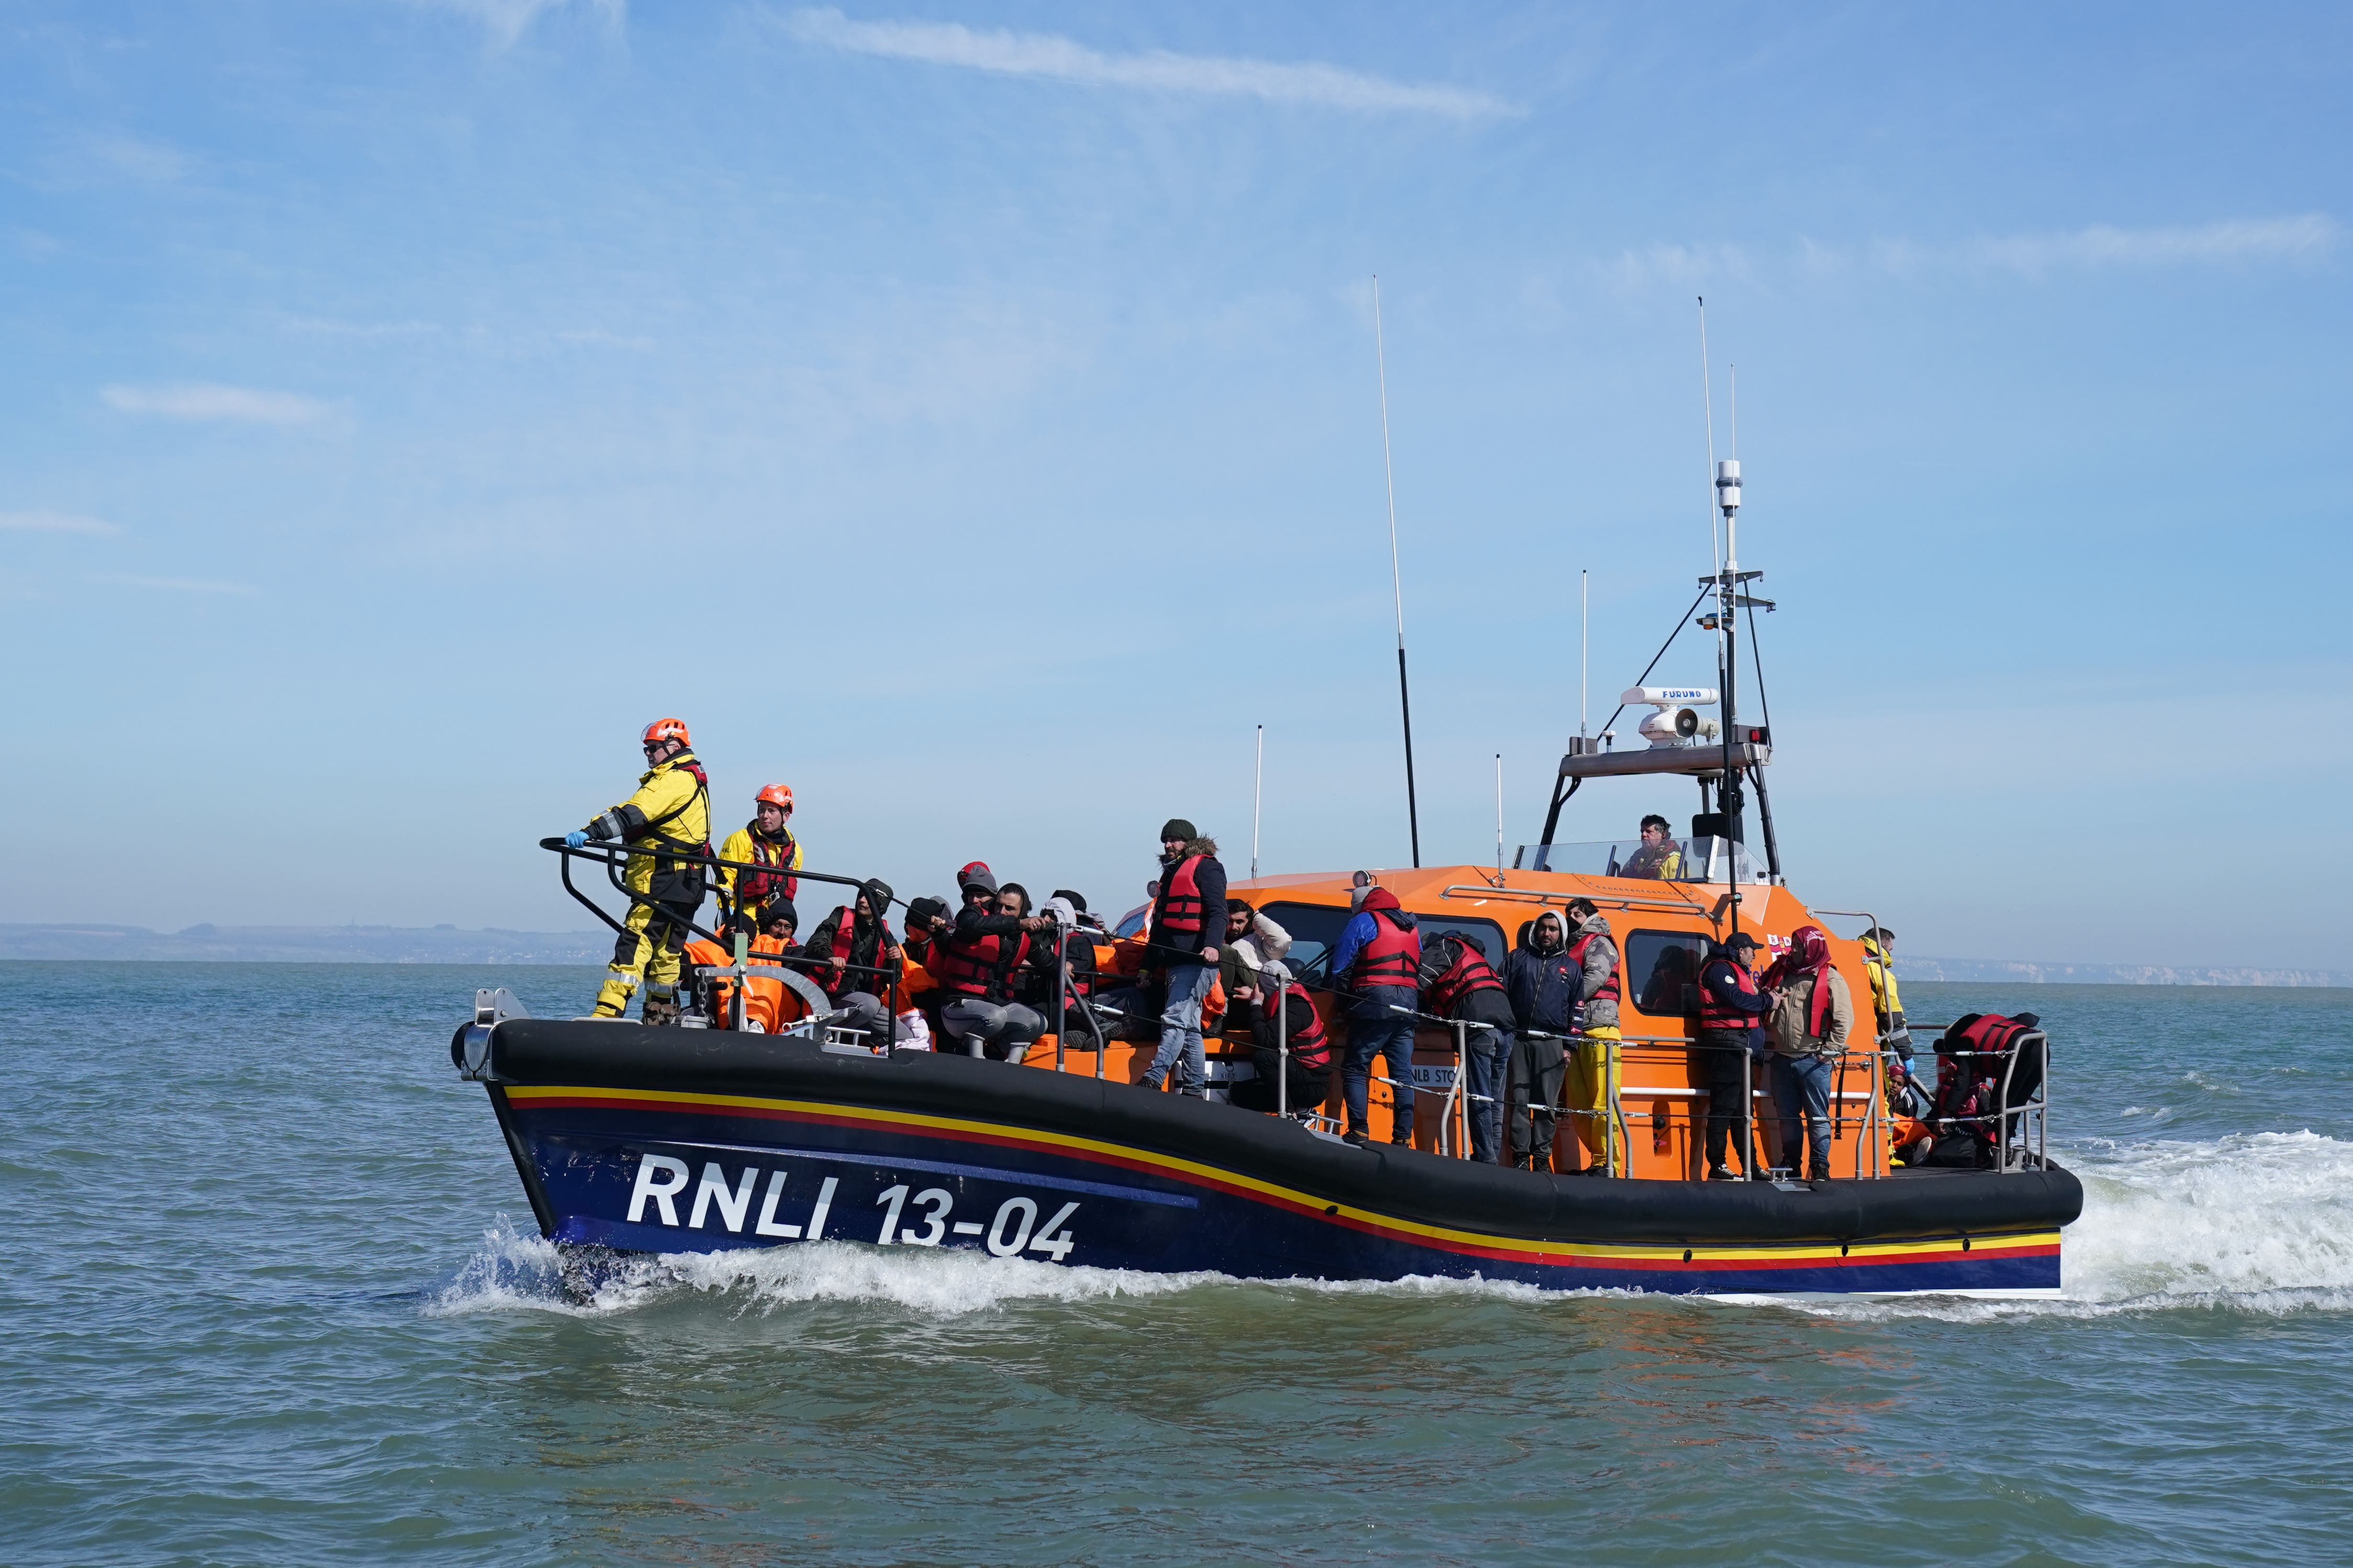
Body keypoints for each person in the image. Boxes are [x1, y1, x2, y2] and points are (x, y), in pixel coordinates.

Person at [569, 717, 712, 1024]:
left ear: (673, 747)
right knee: (666, 957)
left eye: (653, 749)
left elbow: (634, 813)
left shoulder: (672, 780)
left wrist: (590, 832)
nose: (648, 755)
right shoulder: (692, 780)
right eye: (646, 749)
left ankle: (607, 1015)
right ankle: (659, 1021)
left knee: (635, 943)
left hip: (662, 879)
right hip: (687, 883)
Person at [1326, 885, 1421, 1147]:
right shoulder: (1412, 926)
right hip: (1408, 1007)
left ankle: (1359, 1129)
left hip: (1374, 1004)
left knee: (1355, 1068)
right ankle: (1403, 1136)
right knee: (1403, 1075)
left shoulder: (1363, 921)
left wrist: (1343, 1006)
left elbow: (1341, 969)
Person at [1141, 819, 1227, 1097]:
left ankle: (1154, 1076)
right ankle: (1193, 1091)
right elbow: (1160, 926)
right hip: (1175, 960)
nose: (1168, 845)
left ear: (1188, 842)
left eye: (1174, 839)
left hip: (1198, 959)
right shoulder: (1171, 874)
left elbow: (1219, 912)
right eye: (1165, 840)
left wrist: (1213, 945)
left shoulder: (1207, 867)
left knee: (1176, 1018)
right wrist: (1147, 965)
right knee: (1190, 1028)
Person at [1761, 924, 1853, 1182]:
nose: (1795, 950)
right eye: (1794, 945)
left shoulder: (1831, 978)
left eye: (1800, 946)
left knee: (1817, 1117)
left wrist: (1829, 1052)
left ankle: (1820, 1166)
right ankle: (1791, 1163)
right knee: (1787, 1116)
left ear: (1813, 948)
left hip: (1814, 1060)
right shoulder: (1782, 973)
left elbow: (1844, 1019)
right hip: (1782, 1058)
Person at [1417, 931, 1516, 1164]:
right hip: (1507, 1026)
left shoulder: (1443, 947)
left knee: (1478, 1094)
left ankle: (1485, 1158)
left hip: (1480, 1026)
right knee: (1495, 1098)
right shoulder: (1476, 956)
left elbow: (1420, 981)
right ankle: (1493, 1154)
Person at [930, 866, 1049, 1061]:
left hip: (994, 1003)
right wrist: (1019, 924)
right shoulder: (971, 917)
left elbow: (1045, 960)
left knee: (1037, 1022)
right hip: (959, 1002)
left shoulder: (1019, 936)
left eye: (980, 895)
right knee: (995, 1016)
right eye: (970, 895)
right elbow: (965, 931)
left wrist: (1066, 968)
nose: (974, 900)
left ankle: (1006, 1061)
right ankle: (974, 1059)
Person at [1502, 911, 1578, 1170]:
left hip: (1552, 1042)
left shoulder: (1571, 968)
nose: (1547, 933)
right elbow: (1502, 994)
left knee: (1547, 1103)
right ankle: (1521, 1156)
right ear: (1536, 930)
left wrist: (1569, 1046)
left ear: (1561, 933)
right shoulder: (1517, 959)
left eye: (1553, 929)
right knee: (1519, 1100)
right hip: (1519, 1039)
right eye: (1543, 928)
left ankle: (1543, 1158)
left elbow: (1576, 1011)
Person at [1695, 931, 1769, 1180]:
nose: (1754, 955)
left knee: (1742, 1110)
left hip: (1739, 1047)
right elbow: (1736, 999)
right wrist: (1767, 1001)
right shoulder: (1718, 970)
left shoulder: (1731, 969)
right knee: (1724, 1107)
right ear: (1740, 951)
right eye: (1752, 950)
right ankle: (1717, 1164)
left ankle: (1750, 1165)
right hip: (1725, 1045)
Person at [1562, 898, 1626, 1173]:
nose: (1571, 917)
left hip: (1601, 1027)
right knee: (1578, 1101)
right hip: (1576, 1029)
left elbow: (1596, 978)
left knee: (1603, 1100)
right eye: (1569, 913)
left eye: (1576, 913)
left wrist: (1563, 1002)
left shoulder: (1600, 942)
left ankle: (1608, 1163)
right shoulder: (1570, 946)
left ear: (1588, 916)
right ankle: (1598, 1160)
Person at [800, 879, 901, 1044]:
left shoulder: (886, 937)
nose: (862, 900)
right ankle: (825, 1030)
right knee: (871, 1005)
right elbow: (816, 941)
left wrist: (894, 962)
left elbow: (894, 979)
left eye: (869, 897)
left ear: (881, 905)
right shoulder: (840, 917)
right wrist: (830, 957)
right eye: (861, 895)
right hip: (832, 997)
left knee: (905, 1035)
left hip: (864, 1004)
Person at [1228, 976, 1333, 1116]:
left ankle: (1290, 1112)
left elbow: (1265, 1040)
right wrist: (1257, 999)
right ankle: (1298, 1108)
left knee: (1264, 1057)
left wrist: (1256, 1004)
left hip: (1313, 1084)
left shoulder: (1296, 1010)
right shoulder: (1291, 1002)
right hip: (1301, 1076)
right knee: (1239, 1094)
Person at [716, 784, 802, 939]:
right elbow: (725, 877)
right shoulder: (740, 840)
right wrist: (727, 915)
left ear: (786, 816)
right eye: (762, 810)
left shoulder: (796, 851)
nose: (765, 815)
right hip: (743, 918)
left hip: (775, 925)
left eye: (772, 811)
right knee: (741, 957)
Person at [1859, 927, 1913, 1064]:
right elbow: (1892, 1018)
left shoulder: (1851, 963)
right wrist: (1906, 1054)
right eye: (1890, 949)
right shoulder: (1882, 975)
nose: (1890, 953)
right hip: (1871, 1041)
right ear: (1883, 946)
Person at [1618, 815, 1683, 881]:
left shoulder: (1672, 860)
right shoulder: (1636, 859)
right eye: (1642, 831)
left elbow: (1678, 888)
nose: (1644, 835)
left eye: (1649, 832)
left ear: (1663, 835)